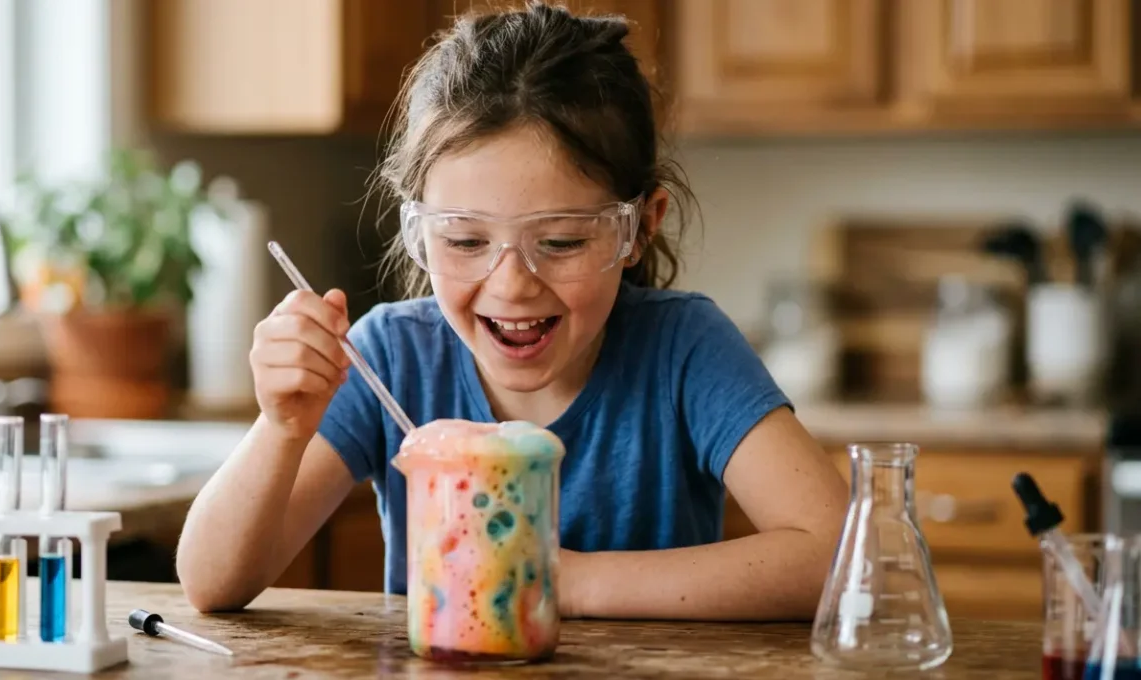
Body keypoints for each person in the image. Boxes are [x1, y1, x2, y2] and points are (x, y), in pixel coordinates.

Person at [176, 0, 849, 621]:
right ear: (420, 230)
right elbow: (211, 582)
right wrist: (280, 428)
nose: (512, 287)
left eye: (559, 242)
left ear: (639, 228)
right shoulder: (388, 357)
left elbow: (841, 558)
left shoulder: (683, 350)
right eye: (466, 241)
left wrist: (563, 580)